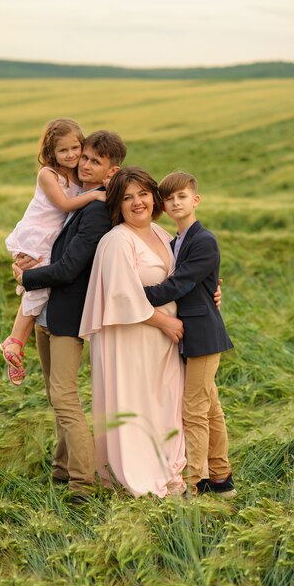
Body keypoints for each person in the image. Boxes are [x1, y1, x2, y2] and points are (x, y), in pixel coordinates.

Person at [12, 130, 127, 500]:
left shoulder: (95, 209)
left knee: (64, 396)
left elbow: (70, 267)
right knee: (53, 393)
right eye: (85, 157)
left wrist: (26, 276)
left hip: (67, 314)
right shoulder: (78, 196)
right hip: (49, 312)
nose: (86, 164)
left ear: (112, 170)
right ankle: (62, 469)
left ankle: (82, 483)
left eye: (96, 161)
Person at [79, 167, 188, 498]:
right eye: (127, 197)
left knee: (166, 402)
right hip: (131, 337)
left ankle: (169, 465)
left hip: (165, 342)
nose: (137, 202)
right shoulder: (116, 241)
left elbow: (182, 276)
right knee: (135, 402)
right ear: (118, 205)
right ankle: (137, 474)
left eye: (143, 194)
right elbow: (121, 294)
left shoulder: (161, 233)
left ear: (154, 198)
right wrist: (164, 322)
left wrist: (212, 291)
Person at [143, 170, 236, 498]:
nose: (175, 202)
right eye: (169, 199)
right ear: (164, 206)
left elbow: (178, 284)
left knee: (195, 408)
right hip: (190, 333)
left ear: (195, 200)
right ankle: (222, 478)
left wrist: (134, 293)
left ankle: (197, 483)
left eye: (181, 196)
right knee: (209, 406)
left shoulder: (204, 240)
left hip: (204, 333)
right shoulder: (174, 242)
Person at [0, 118, 106, 386]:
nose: (71, 155)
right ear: (51, 152)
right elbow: (65, 204)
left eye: (75, 148)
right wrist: (94, 196)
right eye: (63, 151)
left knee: (38, 287)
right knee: (39, 286)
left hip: (51, 238)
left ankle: (15, 344)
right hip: (38, 236)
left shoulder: (79, 174)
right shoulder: (48, 174)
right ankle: (14, 343)